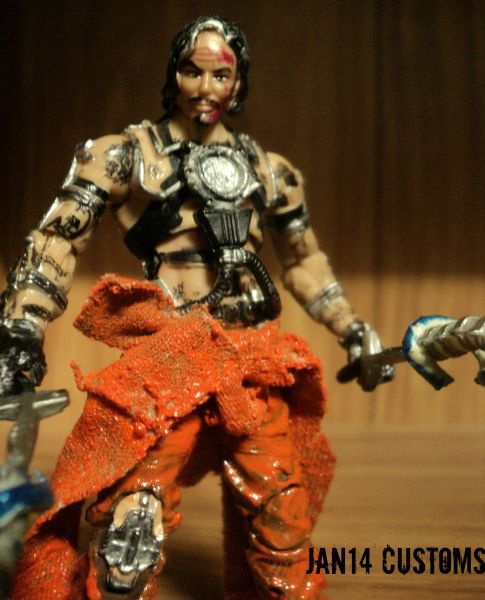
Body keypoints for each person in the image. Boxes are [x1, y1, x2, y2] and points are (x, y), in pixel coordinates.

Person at [2, 16, 393, 600]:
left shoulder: (270, 172)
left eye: (221, 75)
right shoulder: (125, 156)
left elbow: (305, 262)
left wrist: (353, 329)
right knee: (130, 530)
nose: (207, 88)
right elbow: (58, 239)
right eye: (193, 71)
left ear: (239, 83)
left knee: (282, 522)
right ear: (174, 75)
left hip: (248, 362)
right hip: (169, 361)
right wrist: (23, 326)